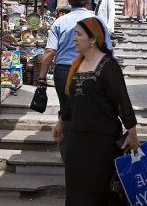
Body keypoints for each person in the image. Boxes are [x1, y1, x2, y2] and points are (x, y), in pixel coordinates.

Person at [53, 17, 139, 205]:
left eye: (78, 34)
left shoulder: (108, 66)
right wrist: (61, 121)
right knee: (77, 191)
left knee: (99, 193)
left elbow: (122, 100)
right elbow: (71, 99)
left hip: (103, 142)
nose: (74, 39)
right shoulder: (76, 65)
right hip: (77, 140)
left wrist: (132, 131)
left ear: (93, 40)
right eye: (74, 34)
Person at [38, 0, 110, 161]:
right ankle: (88, 155)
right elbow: (107, 51)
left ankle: (69, 156)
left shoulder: (60, 22)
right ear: (87, 1)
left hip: (63, 72)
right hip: (91, 70)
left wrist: (41, 79)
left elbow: (49, 53)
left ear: (69, 2)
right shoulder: (97, 21)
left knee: (66, 111)